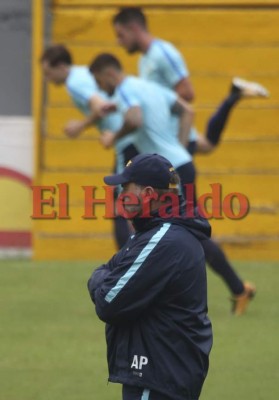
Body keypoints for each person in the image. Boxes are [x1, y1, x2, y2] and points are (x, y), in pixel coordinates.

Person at [89, 53, 256, 315]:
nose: (101, 89)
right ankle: (236, 288)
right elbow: (187, 109)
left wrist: (113, 136)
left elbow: (134, 119)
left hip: (169, 172)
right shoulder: (146, 86)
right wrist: (178, 148)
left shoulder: (124, 90)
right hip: (179, 165)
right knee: (184, 230)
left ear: (108, 73)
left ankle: (236, 288)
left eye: (100, 82)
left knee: (182, 230)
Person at [88, 153, 213, 400]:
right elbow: (110, 270)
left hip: (157, 377)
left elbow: (108, 301)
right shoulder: (155, 234)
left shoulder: (163, 240)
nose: (120, 194)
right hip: (165, 373)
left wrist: (97, 279)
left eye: (125, 187)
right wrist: (106, 276)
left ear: (147, 194)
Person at [112, 6, 269, 155]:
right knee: (207, 145)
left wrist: (151, 106)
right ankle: (232, 97)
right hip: (164, 133)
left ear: (133, 28)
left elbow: (187, 93)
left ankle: (232, 98)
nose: (119, 42)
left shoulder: (163, 53)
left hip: (174, 135)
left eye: (121, 35)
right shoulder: (143, 59)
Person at [40, 44, 139, 248]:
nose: (48, 80)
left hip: (125, 140)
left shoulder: (74, 82)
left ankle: (127, 262)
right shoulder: (83, 73)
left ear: (60, 67)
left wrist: (80, 125)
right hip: (131, 139)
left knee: (119, 207)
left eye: (48, 73)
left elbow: (101, 107)